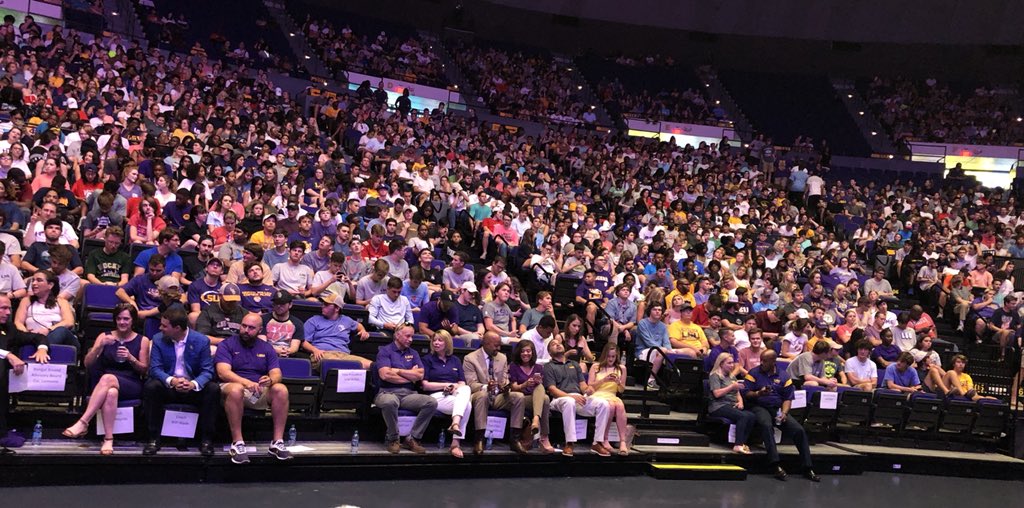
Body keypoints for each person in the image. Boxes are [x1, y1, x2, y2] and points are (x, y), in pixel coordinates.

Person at [62, 303, 150, 455]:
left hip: (131, 384)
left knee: (108, 378)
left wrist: (131, 358)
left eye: (126, 319)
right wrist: (98, 347)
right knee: (111, 393)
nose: (122, 322)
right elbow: (87, 364)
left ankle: (83, 422)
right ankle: (108, 439)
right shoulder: (104, 336)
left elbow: (144, 370)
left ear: (133, 321)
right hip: (104, 386)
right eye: (119, 319)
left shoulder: (142, 340)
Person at [215, 312, 293, 464]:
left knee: (281, 389)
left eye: (251, 328)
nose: (246, 330)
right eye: (243, 326)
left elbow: (277, 373)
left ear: (260, 330)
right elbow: (222, 372)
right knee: (236, 389)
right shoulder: (227, 344)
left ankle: (277, 442)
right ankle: (237, 443)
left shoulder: (267, 348)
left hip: (256, 390)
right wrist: (245, 382)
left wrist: (271, 380)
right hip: (231, 387)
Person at [143, 307, 219, 457]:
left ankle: (206, 440)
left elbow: (207, 371)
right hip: (169, 387)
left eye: (164, 326)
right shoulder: (158, 339)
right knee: (152, 386)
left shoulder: (201, 341)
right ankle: (153, 438)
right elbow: (155, 369)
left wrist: (193, 384)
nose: (160, 328)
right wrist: (172, 381)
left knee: (213, 389)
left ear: (177, 328)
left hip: (192, 388)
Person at [742, 349, 819, 482]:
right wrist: (758, 394)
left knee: (799, 430)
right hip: (758, 406)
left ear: (773, 361)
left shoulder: (784, 376)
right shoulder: (753, 373)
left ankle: (808, 467)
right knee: (766, 425)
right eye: (761, 360)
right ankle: (775, 464)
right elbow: (746, 393)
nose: (762, 363)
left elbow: (787, 398)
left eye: (765, 361)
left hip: (777, 408)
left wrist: (784, 413)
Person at [375, 322, 438, 454]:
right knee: (389, 402)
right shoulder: (385, 351)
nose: (410, 340)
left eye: (412, 337)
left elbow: (420, 375)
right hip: (387, 391)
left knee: (431, 402)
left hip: (409, 394)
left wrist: (397, 371)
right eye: (408, 336)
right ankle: (393, 438)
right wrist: (410, 375)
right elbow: (385, 375)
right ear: (397, 335)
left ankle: (412, 438)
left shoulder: (414, 353)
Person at [464, 331, 529, 455]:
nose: (498, 348)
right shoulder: (470, 358)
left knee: (519, 397)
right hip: (479, 394)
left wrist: (505, 387)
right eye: (496, 345)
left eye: (499, 345)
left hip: (498, 396)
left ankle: (515, 440)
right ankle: (479, 439)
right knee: (482, 396)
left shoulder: (502, 357)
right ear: (486, 343)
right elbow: (471, 385)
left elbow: (505, 379)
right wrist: (485, 387)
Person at [544, 338, 611, 457]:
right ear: (549, 352)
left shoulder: (574, 364)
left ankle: (597, 443)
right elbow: (552, 390)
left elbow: (583, 386)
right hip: (559, 400)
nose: (558, 345)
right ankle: (569, 442)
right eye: (553, 345)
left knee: (604, 404)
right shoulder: (549, 366)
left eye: (559, 343)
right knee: (569, 401)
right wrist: (572, 397)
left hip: (578, 398)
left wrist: (588, 390)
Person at [421, 330, 472, 458]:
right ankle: (455, 443)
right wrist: (445, 385)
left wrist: (453, 387)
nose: (436, 343)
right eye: (434, 340)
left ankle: (455, 424)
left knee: (465, 389)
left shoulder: (455, 360)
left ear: (447, 342)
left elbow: (461, 383)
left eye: (440, 340)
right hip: (435, 396)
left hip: (453, 395)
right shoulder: (427, 359)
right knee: (468, 405)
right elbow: (425, 385)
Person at [508, 339, 555, 453]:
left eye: (528, 351)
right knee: (545, 399)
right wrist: (524, 385)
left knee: (543, 395)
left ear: (532, 352)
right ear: (519, 353)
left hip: (534, 398)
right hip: (520, 398)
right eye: (523, 351)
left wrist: (538, 383)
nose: (526, 354)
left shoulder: (538, 368)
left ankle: (537, 422)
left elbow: (541, 388)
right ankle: (543, 436)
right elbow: (513, 387)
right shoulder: (514, 366)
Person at [302, 294, 372, 370]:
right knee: (338, 364)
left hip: (344, 355)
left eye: (326, 304)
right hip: (323, 354)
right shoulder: (313, 320)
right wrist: (314, 350)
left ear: (337, 308)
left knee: (372, 365)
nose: (322, 306)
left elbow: (359, 325)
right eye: (323, 304)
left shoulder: (346, 320)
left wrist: (363, 331)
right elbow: (303, 341)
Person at [14, 270, 79, 350]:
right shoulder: (26, 301)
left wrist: (48, 330)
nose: (34, 283)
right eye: (33, 280)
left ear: (50, 285)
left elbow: (69, 322)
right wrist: (27, 333)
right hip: (33, 337)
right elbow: (18, 322)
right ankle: (41, 346)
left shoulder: (61, 301)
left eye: (39, 280)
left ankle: (42, 347)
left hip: (56, 337)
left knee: (61, 330)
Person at [708, 352, 756, 454]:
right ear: (721, 364)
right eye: (729, 363)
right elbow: (717, 394)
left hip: (731, 404)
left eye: (732, 363)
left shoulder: (732, 377)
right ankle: (737, 445)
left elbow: (737, 392)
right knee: (742, 416)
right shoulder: (715, 376)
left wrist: (740, 402)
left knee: (751, 416)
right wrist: (731, 387)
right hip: (719, 405)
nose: (732, 365)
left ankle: (743, 443)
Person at [588, 343, 630, 456]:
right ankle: (604, 439)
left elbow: (621, 390)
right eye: (608, 356)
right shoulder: (596, 367)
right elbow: (590, 386)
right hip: (598, 395)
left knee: (619, 405)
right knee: (610, 405)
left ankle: (623, 442)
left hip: (612, 394)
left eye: (613, 356)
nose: (610, 359)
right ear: (604, 355)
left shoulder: (621, 368)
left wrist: (619, 383)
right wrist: (604, 380)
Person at [262, 290, 304, 357]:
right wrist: (275, 350)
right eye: (276, 303)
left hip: (288, 356)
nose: (279, 306)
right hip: (266, 355)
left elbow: (294, 347)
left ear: (290, 305)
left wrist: (286, 351)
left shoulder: (297, 323)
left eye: (282, 303)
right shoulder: (263, 320)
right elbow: (262, 344)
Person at [186, 258, 224, 326]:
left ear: (222, 271)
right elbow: (196, 309)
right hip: (202, 316)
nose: (215, 266)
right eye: (212, 264)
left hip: (220, 317)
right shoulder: (195, 285)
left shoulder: (223, 288)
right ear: (206, 268)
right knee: (193, 316)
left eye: (218, 265)